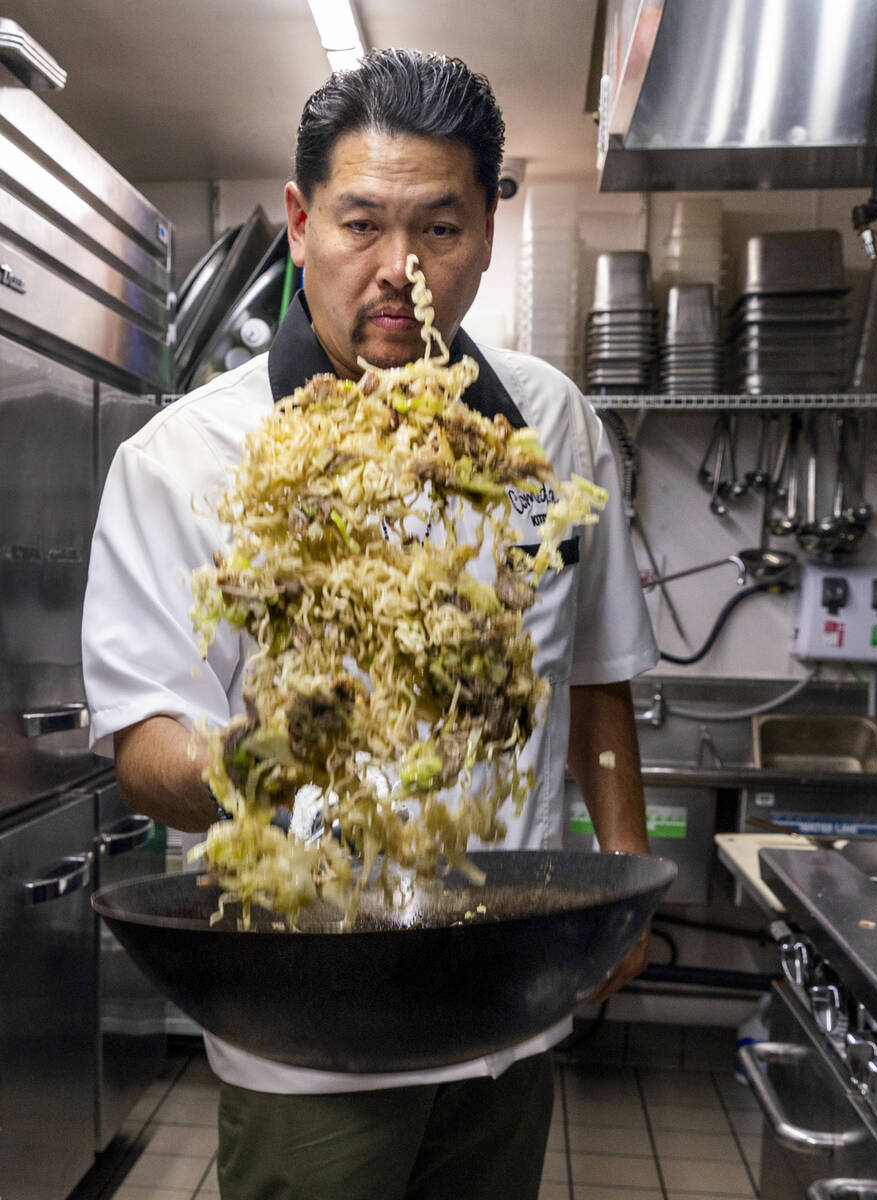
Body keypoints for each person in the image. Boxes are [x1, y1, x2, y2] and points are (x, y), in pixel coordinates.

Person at [82, 47, 659, 1200]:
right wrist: (263, 755)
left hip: (508, 997)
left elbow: (593, 673)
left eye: (439, 229)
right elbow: (145, 750)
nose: (401, 272)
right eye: (361, 225)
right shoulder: (187, 459)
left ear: (488, 230)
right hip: (310, 1021)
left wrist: (628, 877)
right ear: (301, 224)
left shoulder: (548, 426)